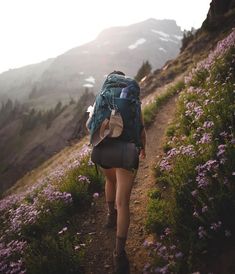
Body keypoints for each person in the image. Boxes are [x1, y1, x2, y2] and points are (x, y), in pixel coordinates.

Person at [87, 71, 146, 274]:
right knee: (124, 203)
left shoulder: (103, 96)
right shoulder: (132, 98)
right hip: (128, 152)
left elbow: (91, 126)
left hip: (106, 149)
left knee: (110, 182)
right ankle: (119, 255)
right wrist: (143, 148)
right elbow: (141, 127)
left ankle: (110, 216)